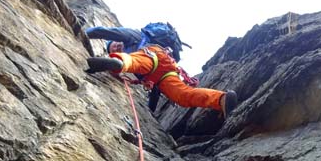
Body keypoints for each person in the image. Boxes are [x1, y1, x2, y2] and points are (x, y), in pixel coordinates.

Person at [86, 44, 238, 119]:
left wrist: (87, 33)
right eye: (112, 47)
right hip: (164, 73)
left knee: (133, 61)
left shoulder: (131, 39)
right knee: (183, 96)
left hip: (151, 56)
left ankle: (118, 63)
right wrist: (150, 110)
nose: (116, 46)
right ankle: (222, 99)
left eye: (113, 45)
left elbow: (103, 32)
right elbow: (155, 95)